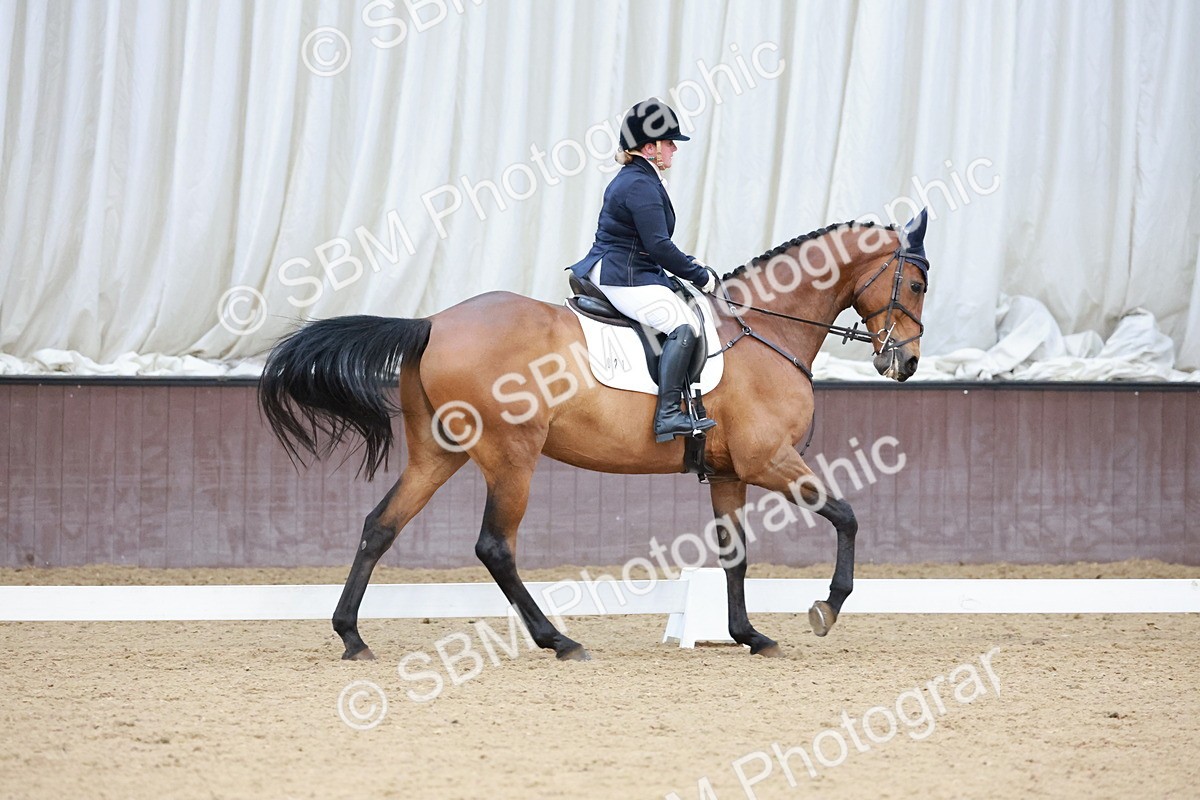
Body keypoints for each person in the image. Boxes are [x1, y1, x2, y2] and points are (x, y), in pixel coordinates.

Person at [568, 98, 719, 443]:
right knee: (683, 324)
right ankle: (667, 415)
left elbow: (650, 243)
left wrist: (689, 264)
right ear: (649, 148)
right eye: (669, 143)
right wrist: (700, 276)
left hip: (627, 267)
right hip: (623, 274)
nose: (674, 149)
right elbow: (659, 246)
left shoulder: (641, 178)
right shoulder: (639, 184)